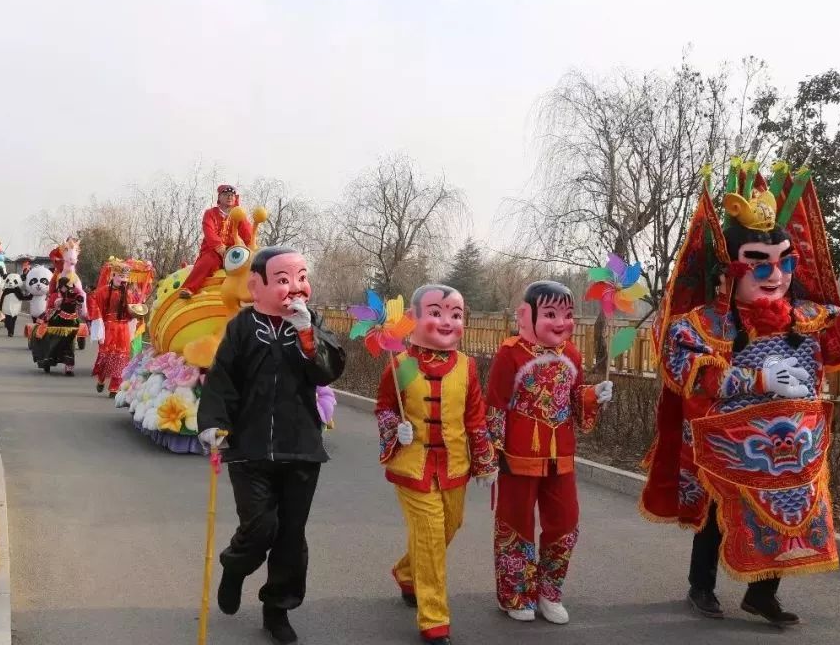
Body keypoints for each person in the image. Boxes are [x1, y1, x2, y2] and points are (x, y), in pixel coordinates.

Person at [639, 164, 840, 626]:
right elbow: (692, 374)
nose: (776, 274)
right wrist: (758, 382)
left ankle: (762, 593)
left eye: (785, 261)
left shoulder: (806, 315)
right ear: (730, 269)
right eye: (760, 262)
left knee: (786, 515)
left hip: (793, 447)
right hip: (730, 444)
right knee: (719, 512)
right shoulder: (704, 324)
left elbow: (833, 348)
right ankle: (701, 586)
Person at [197, 246, 346, 645]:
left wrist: (307, 334)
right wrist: (212, 422)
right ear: (255, 286)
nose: (296, 288)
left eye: (301, 277)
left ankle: (277, 608)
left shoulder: (311, 323)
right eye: (283, 280)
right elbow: (222, 378)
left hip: (301, 448)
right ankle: (235, 565)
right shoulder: (243, 326)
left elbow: (328, 371)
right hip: (250, 449)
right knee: (261, 526)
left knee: (291, 536)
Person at [485, 281, 613, 625]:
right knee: (516, 524)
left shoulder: (571, 355)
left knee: (566, 522)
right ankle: (515, 593)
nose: (561, 323)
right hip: (517, 457)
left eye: (568, 315)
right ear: (527, 315)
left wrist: (592, 395)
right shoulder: (509, 353)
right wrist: (489, 457)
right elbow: (494, 407)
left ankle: (549, 591)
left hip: (562, 457)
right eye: (552, 314)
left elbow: (572, 401)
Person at [375, 284, 496, 645]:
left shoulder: (467, 367)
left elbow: (475, 417)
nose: (447, 321)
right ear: (413, 318)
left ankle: (406, 572)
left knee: (450, 526)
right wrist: (394, 430)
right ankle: (434, 620)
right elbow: (384, 406)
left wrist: (486, 461)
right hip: (413, 467)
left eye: (456, 315)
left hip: (455, 466)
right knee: (429, 535)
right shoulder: (400, 364)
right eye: (436, 312)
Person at [179, 184, 254, 298]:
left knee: (249, 265)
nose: (229, 197)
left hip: (232, 251)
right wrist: (219, 246)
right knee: (208, 262)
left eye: (231, 195)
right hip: (212, 250)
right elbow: (209, 231)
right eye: (225, 195)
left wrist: (253, 247)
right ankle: (189, 288)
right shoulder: (210, 213)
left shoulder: (238, 214)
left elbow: (247, 233)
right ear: (219, 197)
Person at [87, 258, 143, 396]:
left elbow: (131, 313)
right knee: (106, 356)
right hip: (109, 328)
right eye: (120, 276)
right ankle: (101, 379)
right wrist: (98, 319)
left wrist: (136, 312)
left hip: (123, 329)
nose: (122, 279)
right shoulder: (103, 291)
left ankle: (114, 388)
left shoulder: (129, 294)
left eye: (124, 277)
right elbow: (93, 302)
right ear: (113, 276)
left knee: (121, 358)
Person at [31, 276, 84, 375]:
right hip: (56, 322)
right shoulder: (55, 295)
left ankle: (69, 368)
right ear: (61, 286)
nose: (67, 288)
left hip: (71, 324)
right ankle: (48, 359)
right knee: (50, 340)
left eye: (69, 286)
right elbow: (49, 308)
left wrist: (77, 303)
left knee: (69, 346)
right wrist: (56, 308)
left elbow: (79, 307)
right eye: (65, 286)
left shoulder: (74, 294)